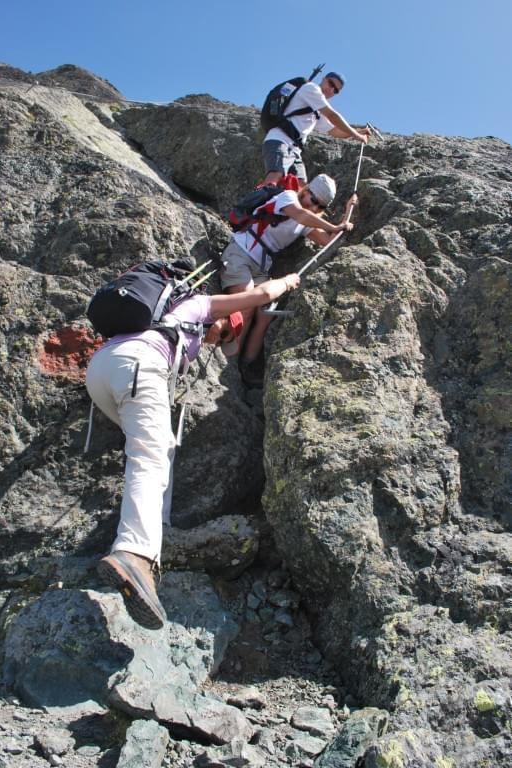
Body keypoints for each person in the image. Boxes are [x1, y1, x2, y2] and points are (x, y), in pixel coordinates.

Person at [86, 273, 300, 630]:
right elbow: (262, 293)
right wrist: (289, 281)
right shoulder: (199, 305)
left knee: (159, 449)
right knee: (150, 455)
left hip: (104, 370)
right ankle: (135, 552)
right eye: (224, 332)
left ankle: (157, 532)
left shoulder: (166, 323)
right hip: (140, 365)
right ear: (219, 320)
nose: (219, 339)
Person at [220, 173, 358, 386]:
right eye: (313, 201)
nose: (314, 208)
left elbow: (329, 241)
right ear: (307, 190)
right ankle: (228, 365)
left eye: (320, 207)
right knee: (245, 307)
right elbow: (301, 215)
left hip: (261, 266)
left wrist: (348, 213)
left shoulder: (307, 219)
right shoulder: (288, 197)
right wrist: (333, 225)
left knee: (265, 316)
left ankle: (246, 366)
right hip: (240, 252)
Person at [262, 71, 370, 186]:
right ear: (323, 79)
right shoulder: (311, 89)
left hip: (294, 149)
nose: (331, 90)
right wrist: (356, 135)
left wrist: (357, 133)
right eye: (331, 84)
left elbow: (333, 131)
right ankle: (255, 203)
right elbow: (332, 116)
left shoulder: (317, 109)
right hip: (280, 140)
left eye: (336, 90)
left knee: (301, 186)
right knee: (275, 176)